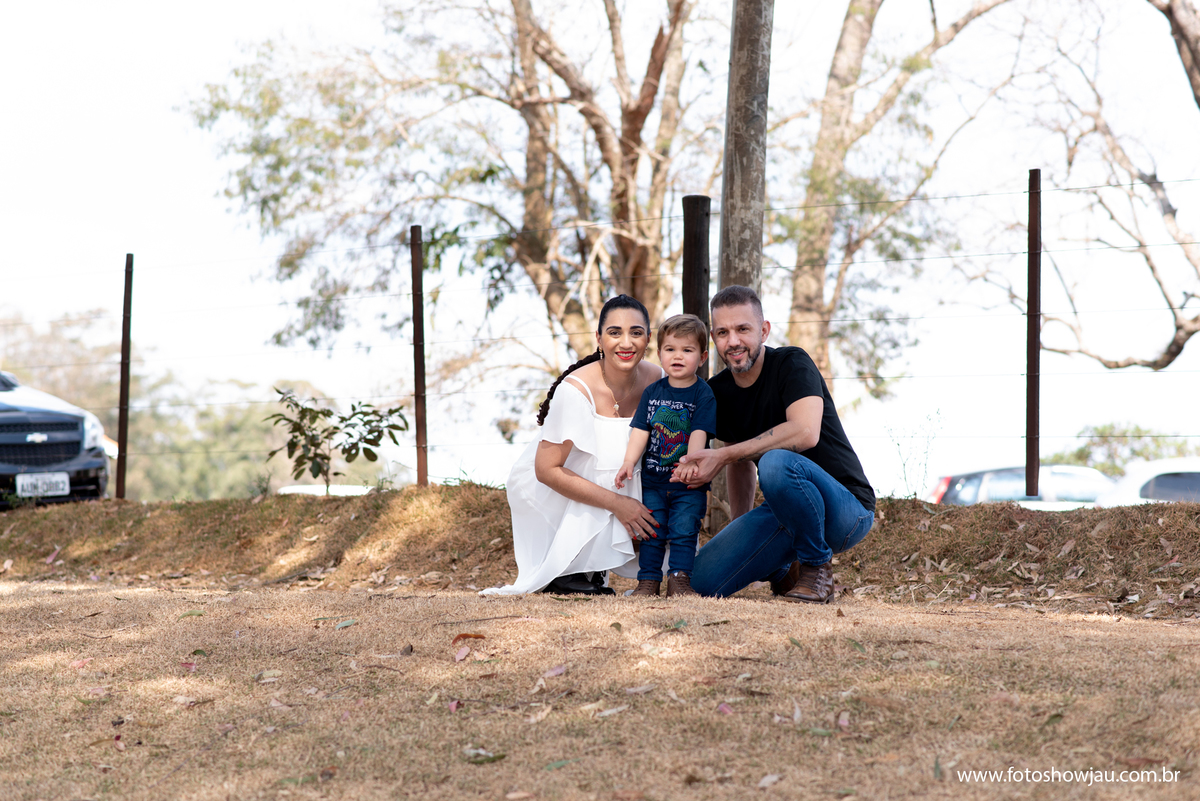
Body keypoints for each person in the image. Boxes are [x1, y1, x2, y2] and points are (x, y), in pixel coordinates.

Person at [676, 286, 876, 603]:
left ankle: (816, 569)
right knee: (701, 582)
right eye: (723, 332)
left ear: (764, 330)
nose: (733, 341)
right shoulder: (718, 392)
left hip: (846, 510)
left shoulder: (792, 363)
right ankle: (783, 571)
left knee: (775, 461)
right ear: (713, 338)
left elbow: (805, 432)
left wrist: (723, 455)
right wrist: (740, 527)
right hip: (785, 511)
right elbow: (740, 463)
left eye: (743, 329)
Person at [480, 295, 663, 596]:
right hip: (562, 489)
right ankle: (571, 567)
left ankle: (603, 561)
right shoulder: (576, 390)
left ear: (648, 338)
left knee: (682, 566)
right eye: (614, 332)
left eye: (636, 332)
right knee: (599, 461)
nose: (626, 342)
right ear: (599, 338)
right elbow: (546, 470)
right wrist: (619, 504)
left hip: (624, 480)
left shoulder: (659, 379)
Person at [614, 314, 717, 598]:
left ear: (702, 357)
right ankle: (647, 582)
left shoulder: (703, 394)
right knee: (652, 532)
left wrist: (691, 463)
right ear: (659, 353)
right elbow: (640, 431)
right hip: (652, 482)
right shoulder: (652, 392)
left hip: (687, 483)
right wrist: (628, 462)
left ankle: (679, 580)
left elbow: (699, 432)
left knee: (684, 530)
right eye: (670, 349)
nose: (678, 356)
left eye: (687, 350)